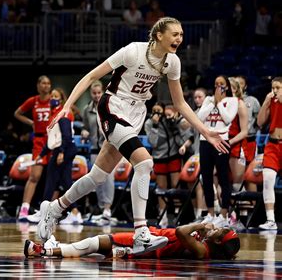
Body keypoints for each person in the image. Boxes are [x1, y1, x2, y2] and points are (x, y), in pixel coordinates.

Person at [37, 17, 230, 255]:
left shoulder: (173, 62)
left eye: (181, 34)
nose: (179, 39)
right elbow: (90, 76)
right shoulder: (133, 51)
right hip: (113, 106)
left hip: (136, 113)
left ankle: (54, 208)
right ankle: (141, 232)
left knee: (97, 176)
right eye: (175, 34)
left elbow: (179, 103)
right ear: (159, 35)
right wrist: (67, 106)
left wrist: (206, 131)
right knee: (145, 161)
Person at [25, 222, 240, 260]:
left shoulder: (203, 251)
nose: (216, 229)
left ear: (219, 241)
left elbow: (182, 232)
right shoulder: (205, 245)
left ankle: (44, 251)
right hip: (151, 239)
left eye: (219, 231)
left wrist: (201, 224)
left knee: (95, 243)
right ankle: (51, 249)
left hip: (149, 244)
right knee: (95, 245)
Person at [36, 88, 82, 225]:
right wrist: (42, 154)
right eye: (51, 96)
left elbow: (66, 135)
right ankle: (73, 213)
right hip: (60, 149)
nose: (52, 99)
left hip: (64, 150)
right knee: (63, 182)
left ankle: (44, 212)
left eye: (55, 96)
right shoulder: (55, 114)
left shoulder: (64, 113)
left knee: (53, 181)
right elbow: (52, 138)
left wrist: (61, 152)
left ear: (61, 99)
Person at [198, 76, 238, 227]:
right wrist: (213, 102)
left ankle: (223, 214)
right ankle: (210, 213)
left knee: (223, 177)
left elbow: (227, 119)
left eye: (221, 84)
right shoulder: (208, 99)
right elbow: (200, 117)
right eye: (216, 84)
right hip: (205, 140)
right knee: (206, 177)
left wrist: (220, 102)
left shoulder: (232, 101)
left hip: (222, 140)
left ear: (227, 86)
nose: (218, 87)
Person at [14, 75, 52, 221]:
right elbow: (17, 113)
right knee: (35, 176)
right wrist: (31, 123)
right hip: (39, 140)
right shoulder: (33, 101)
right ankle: (24, 209)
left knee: (53, 177)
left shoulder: (54, 100)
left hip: (53, 140)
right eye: (43, 83)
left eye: (48, 83)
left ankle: (51, 211)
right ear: (38, 85)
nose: (46, 86)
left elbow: (70, 111)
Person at [81, 80, 114, 223]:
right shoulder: (86, 110)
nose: (96, 95)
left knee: (109, 178)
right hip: (94, 148)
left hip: (108, 147)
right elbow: (86, 127)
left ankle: (108, 208)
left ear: (103, 92)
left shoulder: (109, 107)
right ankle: (102, 209)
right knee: (97, 179)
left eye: (99, 93)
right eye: (94, 93)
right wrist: (84, 131)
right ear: (91, 93)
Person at [257, 77, 282, 230]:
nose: (274, 91)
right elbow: (260, 122)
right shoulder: (271, 101)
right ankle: (270, 220)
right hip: (272, 145)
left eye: (278, 87)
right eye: (273, 88)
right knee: (267, 180)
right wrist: (266, 102)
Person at [227, 78, 248, 193]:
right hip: (221, 144)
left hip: (236, 145)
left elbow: (244, 132)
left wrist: (229, 142)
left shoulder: (240, 104)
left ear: (235, 89)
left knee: (237, 184)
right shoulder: (220, 103)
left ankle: (246, 211)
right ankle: (218, 207)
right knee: (214, 177)